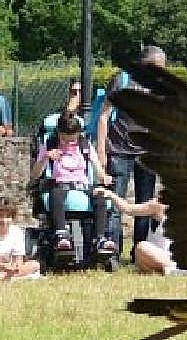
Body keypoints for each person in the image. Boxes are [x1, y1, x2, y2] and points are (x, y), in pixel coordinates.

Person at [98, 45, 167, 259]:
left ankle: (140, 250)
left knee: (145, 202)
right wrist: (102, 150)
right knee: (116, 201)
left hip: (147, 153)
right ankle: (112, 252)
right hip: (119, 150)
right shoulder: (122, 80)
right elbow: (103, 116)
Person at [29, 111, 115, 256]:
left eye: (72, 140)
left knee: (100, 197)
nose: (69, 143)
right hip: (60, 184)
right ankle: (61, 234)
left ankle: (100, 238)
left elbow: (98, 169)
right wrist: (45, 158)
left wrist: (104, 177)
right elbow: (35, 175)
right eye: (64, 140)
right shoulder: (49, 144)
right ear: (59, 134)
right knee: (55, 195)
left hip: (82, 185)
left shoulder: (84, 145)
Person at [96, 189, 173, 274]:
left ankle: (173, 268)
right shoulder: (158, 204)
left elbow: (128, 209)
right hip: (158, 255)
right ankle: (168, 270)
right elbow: (128, 208)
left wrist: (111, 194)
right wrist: (111, 195)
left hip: (170, 257)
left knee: (141, 247)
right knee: (139, 259)